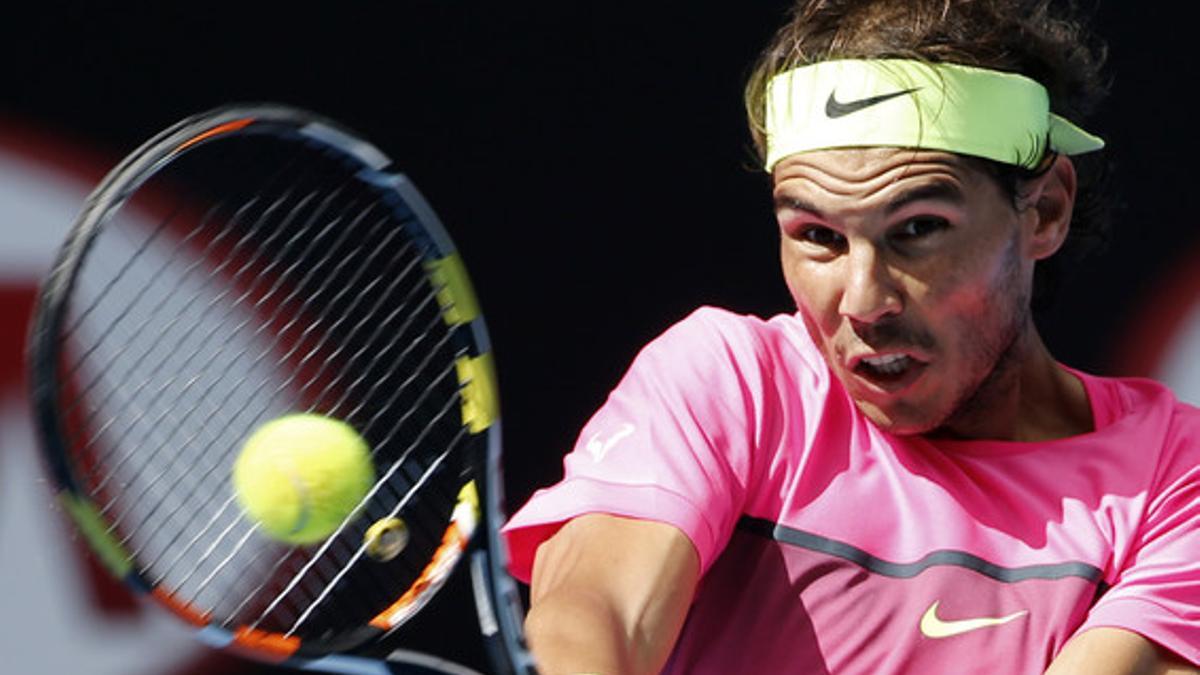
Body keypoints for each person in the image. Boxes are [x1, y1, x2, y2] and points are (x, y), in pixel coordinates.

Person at [502, 1, 1200, 672]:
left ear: (1044, 209)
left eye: (918, 229)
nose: (864, 301)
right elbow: (594, 617)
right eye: (818, 237)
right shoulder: (730, 381)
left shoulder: (1177, 473)